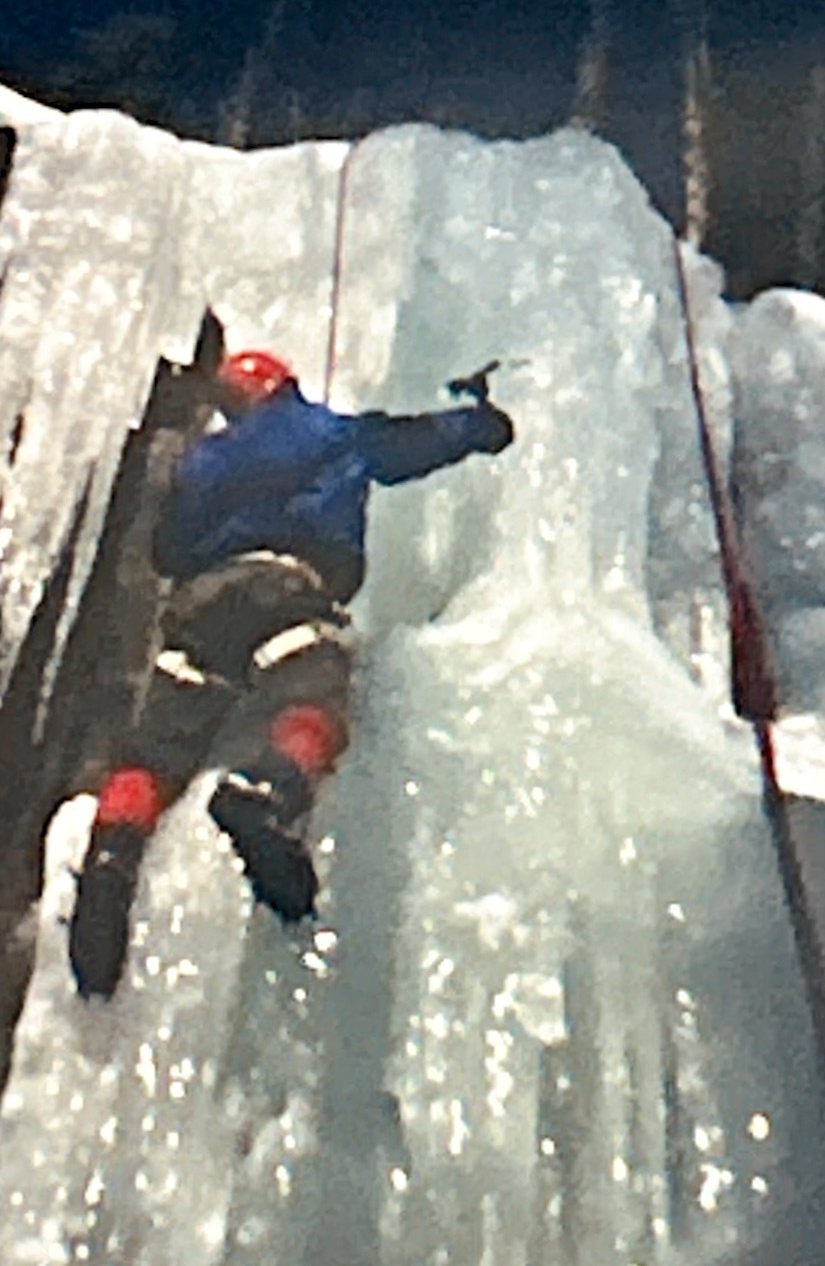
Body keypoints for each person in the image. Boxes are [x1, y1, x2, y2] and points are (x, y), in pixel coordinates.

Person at [69, 346, 515, 997]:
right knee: (315, 701)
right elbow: (405, 445)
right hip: (286, 590)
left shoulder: (205, 460)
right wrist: (481, 424)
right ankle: (268, 793)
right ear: (283, 385)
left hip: (199, 608)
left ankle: (110, 859)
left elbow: (168, 550)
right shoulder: (322, 431)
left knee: (156, 751)